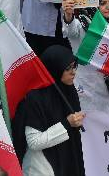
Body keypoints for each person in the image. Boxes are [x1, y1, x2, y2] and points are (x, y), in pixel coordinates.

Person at [13, 45, 85, 176]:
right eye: (67, 68)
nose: (73, 72)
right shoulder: (35, 97)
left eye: (74, 66)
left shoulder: (69, 90)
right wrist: (66, 124)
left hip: (68, 161)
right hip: (43, 167)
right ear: (55, 69)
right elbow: (34, 142)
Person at [61, 0, 109, 112]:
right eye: (103, 3)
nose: (108, 7)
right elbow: (70, 29)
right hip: (86, 85)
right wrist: (68, 14)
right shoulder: (81, 24)